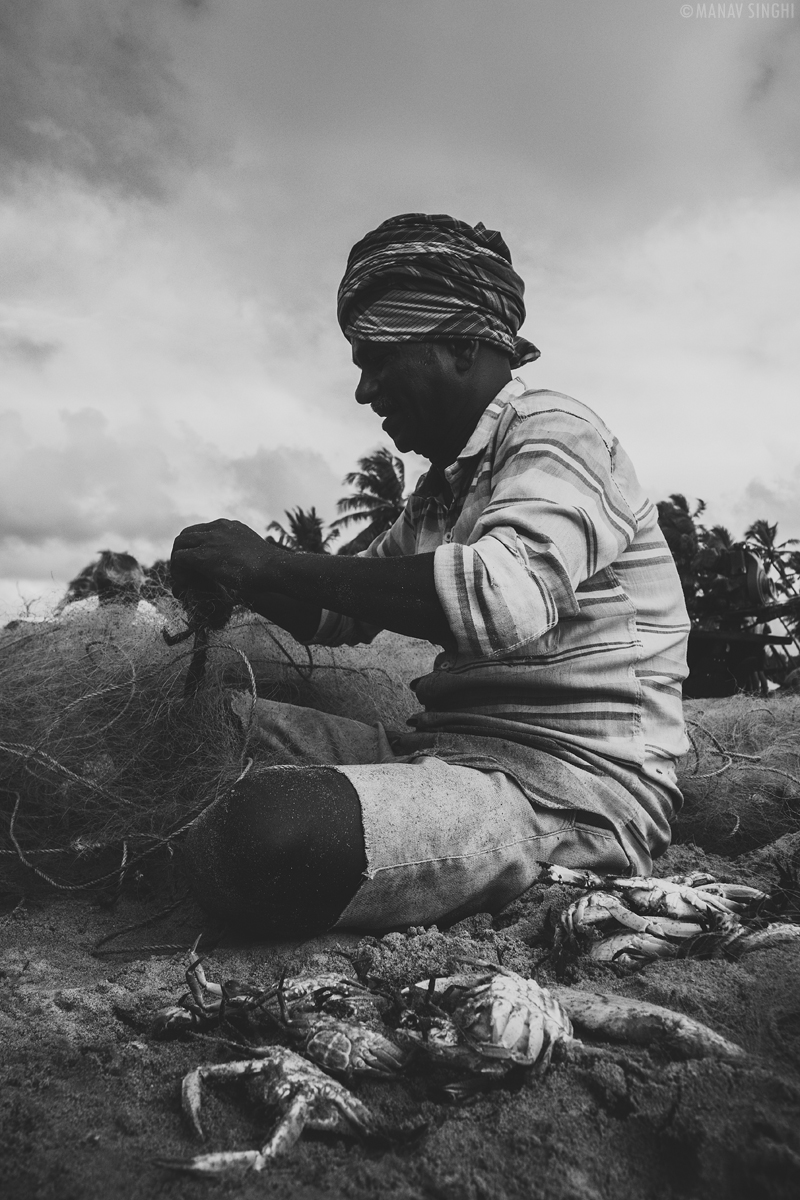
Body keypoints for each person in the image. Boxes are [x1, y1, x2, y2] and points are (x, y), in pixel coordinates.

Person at [170, 213, 691, 936]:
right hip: (444, 755)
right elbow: (338, 614)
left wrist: (272, 560)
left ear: (460, 346)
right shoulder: (440, 492)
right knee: (186, 729)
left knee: (266, 837)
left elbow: (498, 598)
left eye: (376, 358)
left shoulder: (558, 431)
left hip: (569, 794)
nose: (363, 389)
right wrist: (241, 572)